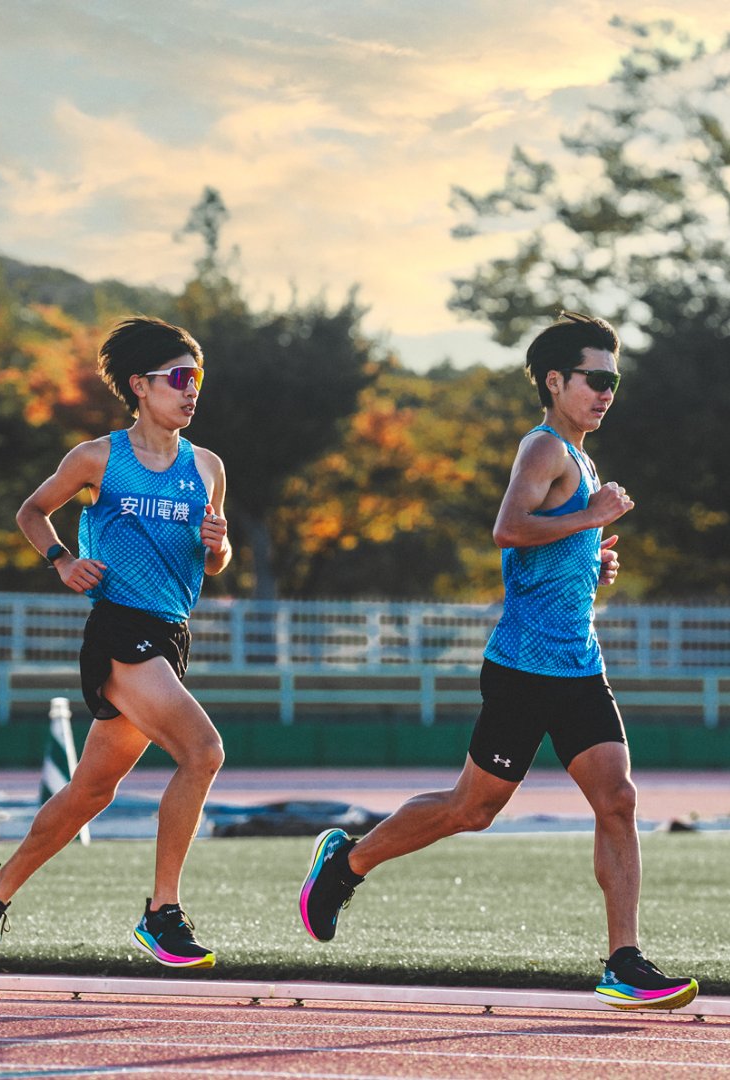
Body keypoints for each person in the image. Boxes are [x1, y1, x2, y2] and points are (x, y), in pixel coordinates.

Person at [299, 311, 698, 1011]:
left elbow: (541, 548)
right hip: (523, 670)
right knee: (471, 809)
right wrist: (590, 518)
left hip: (579, 665)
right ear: (554, 381)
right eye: (594, 379)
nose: (607, 391)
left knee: (619, 799)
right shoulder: (543, 449)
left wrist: (589, 562)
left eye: (614, 380)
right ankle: (347, 862)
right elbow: (507, 530)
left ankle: (623, 961)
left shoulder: (583, 459)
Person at [0, 316, 230, 974]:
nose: (192, 391)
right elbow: (31, 510)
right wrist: (60, 559)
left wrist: (218, 548)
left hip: (170, 632)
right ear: (140, 386)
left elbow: (214, 564)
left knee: (90, 793)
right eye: (179, 379)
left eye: (198, 380)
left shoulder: (209, 467)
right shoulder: (99, 458)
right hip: (119, 628)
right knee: (203, 751)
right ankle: (163, 912)